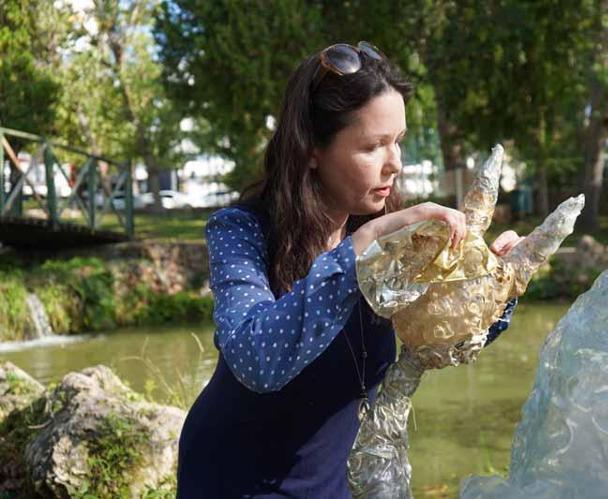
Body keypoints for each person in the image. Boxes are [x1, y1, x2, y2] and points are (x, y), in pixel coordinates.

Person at [177, 41, 523, 498]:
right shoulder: (241, 231)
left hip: (336, 484)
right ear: (311, 149)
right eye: (373, 146)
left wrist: (492, 288)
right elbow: (256, 360)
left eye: (397, 141)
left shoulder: (391, 235)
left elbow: (435, 343)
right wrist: (362, 248)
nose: (395, 164)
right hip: (236, 482)